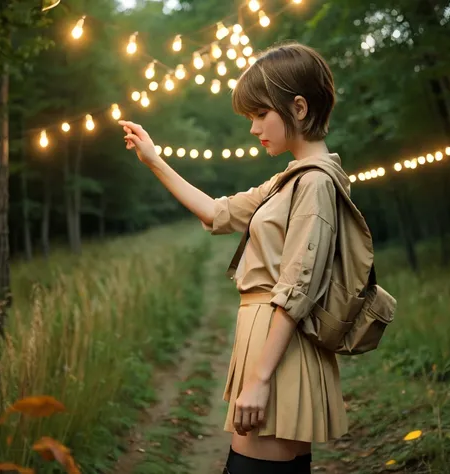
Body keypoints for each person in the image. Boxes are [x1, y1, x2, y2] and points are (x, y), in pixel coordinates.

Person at [119, 42, 352, 474]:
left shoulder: (315, 184)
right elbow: (218, 212)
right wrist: (154, 161)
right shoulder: (289, 179)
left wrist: (260, 379)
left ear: (298, 107)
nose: (253, 128)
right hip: (267, 340)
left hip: (279, 346)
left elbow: (297, 289)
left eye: (260, 114)